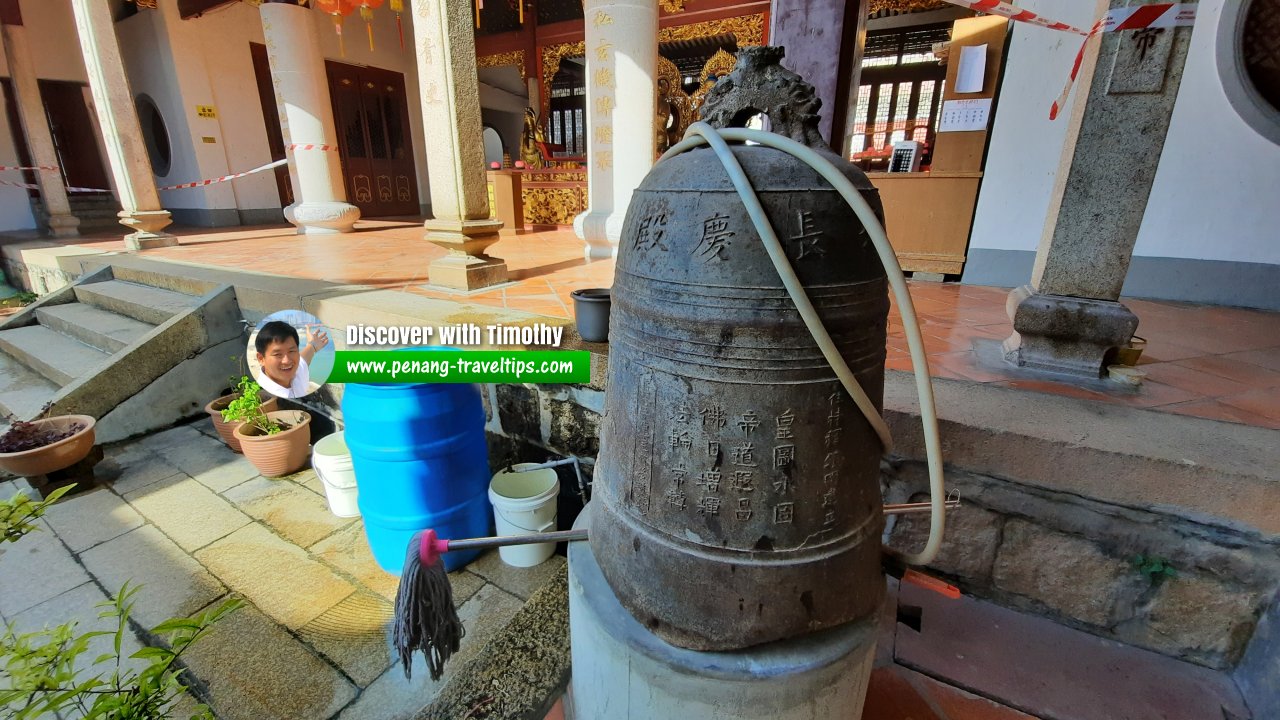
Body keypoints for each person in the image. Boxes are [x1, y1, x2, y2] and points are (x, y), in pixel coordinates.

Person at [254, 320, 329, 399]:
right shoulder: (262, 397)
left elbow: (304, 358)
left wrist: (312, 344)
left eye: (291, 351)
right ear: (261, 359)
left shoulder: (297, 371)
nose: (287, 361)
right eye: (278, 354)